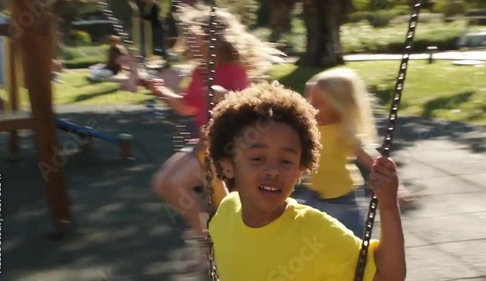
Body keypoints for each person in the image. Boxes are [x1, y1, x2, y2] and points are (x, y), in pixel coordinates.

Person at [205, 81, 406, 281]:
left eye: (286, 161)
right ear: (227, 166)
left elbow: (387, 277)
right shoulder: (227, 210)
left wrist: (388, 206)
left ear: (300, 170)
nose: (274, 171)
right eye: (258, 159)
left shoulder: (316, 235)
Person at [149, 3, 282, 245]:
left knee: (181, 184)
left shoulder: (234, 70)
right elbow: (186, 106)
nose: (188, 44)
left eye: (194, 39)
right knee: (163, 183)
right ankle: (206, 232)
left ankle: (211, 238)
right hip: (203, 141)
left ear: (214, 41)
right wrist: (161, 91)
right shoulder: (201, 71)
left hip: (228, 144)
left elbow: (247, 109)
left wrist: (224, 95)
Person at [302, 68, 416, 237]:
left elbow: (369, 156)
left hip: (342, 200)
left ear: (338, 105)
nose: (310, 107)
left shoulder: (344, 131)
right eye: (309, 101)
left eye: (317, 104)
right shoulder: (311, 126)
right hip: (313, 196)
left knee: (349, 244)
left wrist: (396, 188)